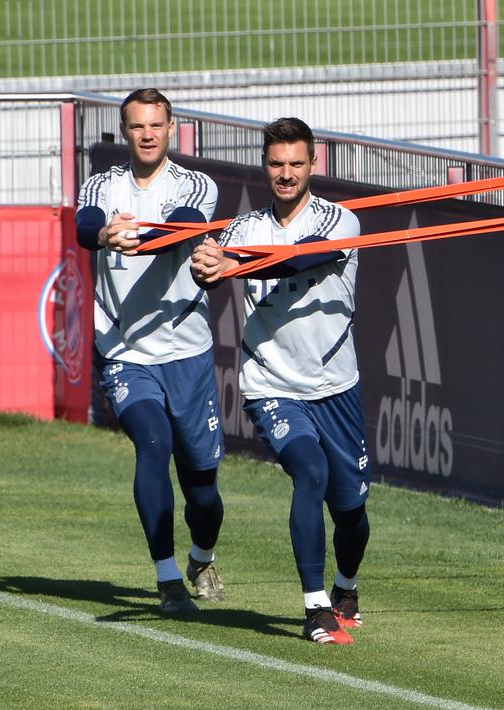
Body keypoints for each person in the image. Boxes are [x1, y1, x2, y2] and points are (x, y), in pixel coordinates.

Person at [190, 117, 370, 645]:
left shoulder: (344, 221)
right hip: (271, 384)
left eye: (296, 163)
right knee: (308, 472)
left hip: (336, 386)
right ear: (264, 165)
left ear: (314, 164)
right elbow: (211, 265)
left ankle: (346, 586)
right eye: (276, 164)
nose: (286, 174)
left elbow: (308, 255)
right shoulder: (244, 230)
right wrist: (208, 263)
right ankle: (315, 607)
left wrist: (234, 264)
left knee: (352, 513)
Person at [75, 88, 227, 614]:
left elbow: (185, 222)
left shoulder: (196, 184)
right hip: (124, 351)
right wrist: (103, 237)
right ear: (126, 131)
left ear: (170, 129)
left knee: (202, 488)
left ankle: (201, 556)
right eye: (137, 126)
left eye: (156, 125)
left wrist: (136, 240)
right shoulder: (101, 184)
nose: (146, 134)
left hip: (185, 349)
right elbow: (84, 226)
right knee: (152, 445)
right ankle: (167, 580)